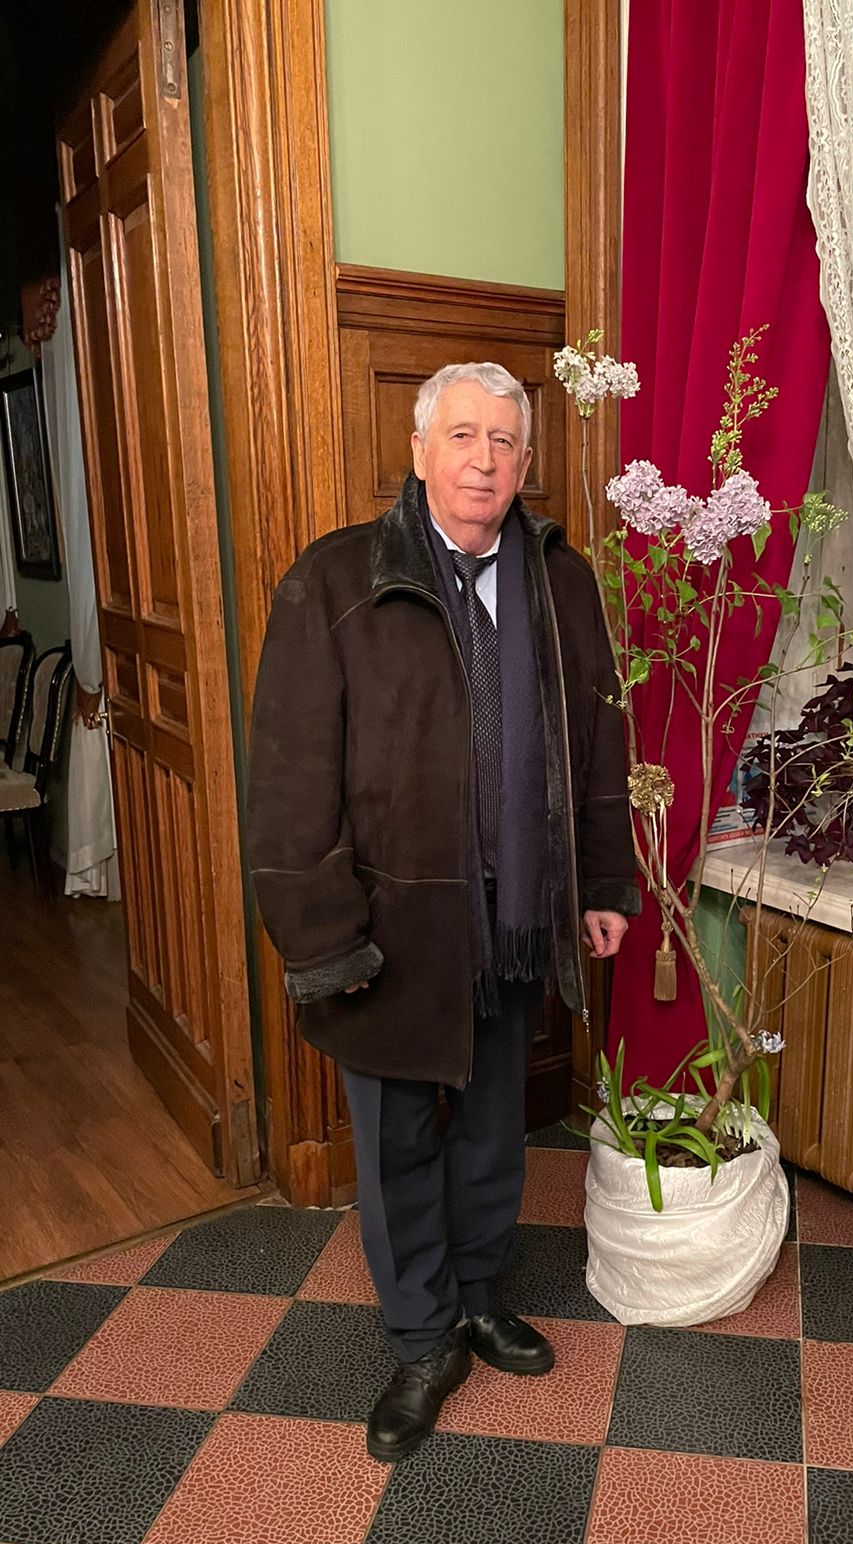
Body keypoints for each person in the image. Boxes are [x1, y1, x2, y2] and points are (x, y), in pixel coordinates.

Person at [247, 361, 638, 1460]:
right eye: (462, 435)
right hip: (388, 929)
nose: (483, 459)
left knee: (494, 1128)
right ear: (419, 451)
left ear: (525, 463)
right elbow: (288, 780)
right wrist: (326, 938)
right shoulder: (335, 579)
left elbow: (597, 739)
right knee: (397, 1145)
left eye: (503, 441)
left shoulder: (561, 579)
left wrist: (602, 884)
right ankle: (422, 1338)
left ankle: (475, 1296)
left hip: (515, 915)